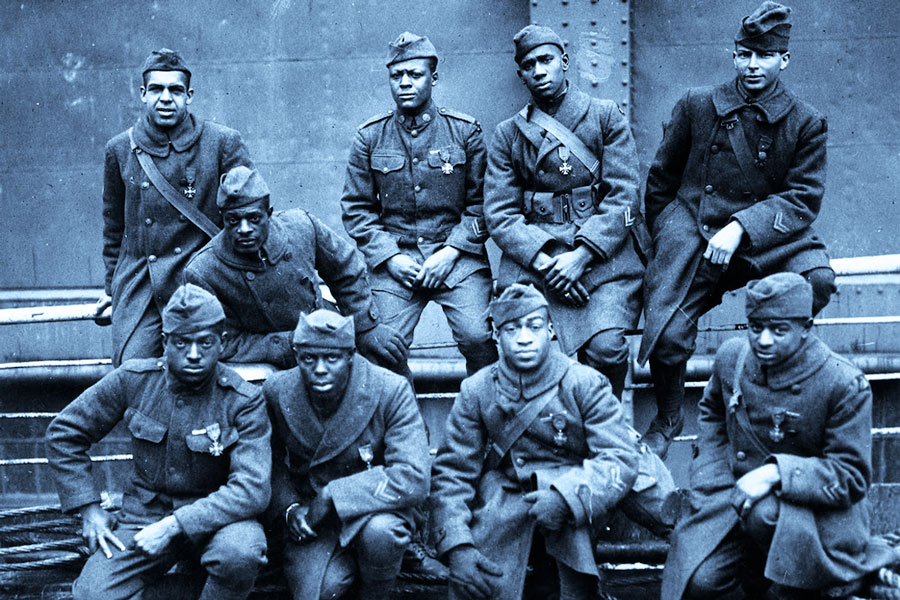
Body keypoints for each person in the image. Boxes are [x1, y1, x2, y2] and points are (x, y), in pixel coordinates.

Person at [639, 1, 837, 459]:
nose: (752, 66)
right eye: (744, 54)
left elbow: (803, 198)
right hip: (695, 229)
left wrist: (741, 228)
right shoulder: (696, 104)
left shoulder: (805, 121)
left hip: (767, 236)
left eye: (764, 56)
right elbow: (661, 180)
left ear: (783, 60)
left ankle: (773, 389)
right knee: (667, 336)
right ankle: (669, 416)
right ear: (733, 55)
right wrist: (669, 240)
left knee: (817, 282)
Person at [430, 284, 675, 600]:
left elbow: (618, 458)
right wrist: (457, 546)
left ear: (550, 330)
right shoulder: (478, 390)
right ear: (496, 335)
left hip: (582, 487)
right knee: (483, 583)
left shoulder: (583, 382)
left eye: (533, 327)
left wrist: (566, 499)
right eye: (511, 328)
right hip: (512, 493)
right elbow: (452, 473)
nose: (523, 338)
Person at [662, 273, 897, 599]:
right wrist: (709, 475)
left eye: (779, 330)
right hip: (732, 495)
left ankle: (833, 580)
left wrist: (776, 473)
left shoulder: (843, 383)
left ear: (806, 328)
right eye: (756, 327)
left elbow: (852, 476)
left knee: (766, 517)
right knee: (699, 583)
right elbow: (712, 412)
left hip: (813, 512)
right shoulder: (733, 357)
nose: (764, 340)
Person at [46, 284, 271, 600]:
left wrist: (173, 526)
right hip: (144, 516)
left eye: (205, 343)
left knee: (241, 553)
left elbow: (252, 490)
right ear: (165, 342)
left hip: (218, 520)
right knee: (92, 594)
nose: (193, 354)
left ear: (221, 343)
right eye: (182, 342)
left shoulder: (242, 400)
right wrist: (89, 509)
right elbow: (64, 433)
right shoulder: (135, 380)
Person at [484, 24, 645, 401]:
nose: (539, 70)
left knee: (606, 349)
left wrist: (583, 255)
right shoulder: (508, 134)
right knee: (531, 354)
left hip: (604, 259)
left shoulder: (605, 117)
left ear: (564, 62)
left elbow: (624, 196)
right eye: (529, 65)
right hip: (537, 261)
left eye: (546, 60)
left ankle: (605, 423)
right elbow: (499, 213)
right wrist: (549, 262)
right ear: (521, 74)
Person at [340, 31, 497, 378]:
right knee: (381, 346)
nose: (405, 83)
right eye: (397, 76)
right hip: (396, 260)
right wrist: (391, 258)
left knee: (478, 336)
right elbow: (357, 209)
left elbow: (483, 204)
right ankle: (404, 425)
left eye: (415, 74)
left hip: (457, 259)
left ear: (434, 78)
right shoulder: (369, 137)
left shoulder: (465, 132)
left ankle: (486, 422)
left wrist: (452, 251)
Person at [97, 48, 254, 367]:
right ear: (142, 94)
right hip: (143, 286)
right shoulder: (120, 149)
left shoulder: (222, 142)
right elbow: (115, 229)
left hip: (203, 280)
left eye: (175, 90)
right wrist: (112, 288)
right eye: (156, 89)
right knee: (133, 371)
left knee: (204, 367)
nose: (165, 98)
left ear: (189, 95)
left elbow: (250, 216)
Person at [263, 309, 430, 599]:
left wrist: (333, 495)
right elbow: (268, 462)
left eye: (332, 358)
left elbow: (413, 476)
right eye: (308, 359)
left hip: (374, 508)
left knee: (383, 533)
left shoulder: (389, 389)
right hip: (313, 520)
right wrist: (289, 509)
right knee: (319, 591)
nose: (320, 369)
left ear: (350, 356)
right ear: (297, 356)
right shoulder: (277, 391)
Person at [184, 166, 406, 371]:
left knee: (388, 360)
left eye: (253, 218)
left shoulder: (300, 227)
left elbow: (346, 269)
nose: (244, 229)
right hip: (273, 359)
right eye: (233, 221)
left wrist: (365, 327)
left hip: (327, 332)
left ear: (268, 214)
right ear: (222, 219)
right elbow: (223, 342)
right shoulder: (203, 271)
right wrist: (289, 342)